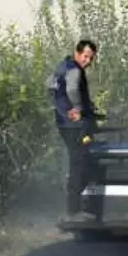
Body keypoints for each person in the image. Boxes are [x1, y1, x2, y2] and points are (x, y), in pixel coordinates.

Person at [49, 39, 99, 222]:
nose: (88, 61)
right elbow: (71, 89)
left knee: (76, 162)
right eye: (86, 56)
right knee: (79, 164)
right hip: (74, 126)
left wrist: (66, 108)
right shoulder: (75, 70)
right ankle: (75, 210)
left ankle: (75, 208)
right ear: (77, 53)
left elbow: (50, 86)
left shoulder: (63, 66)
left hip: (63, 123)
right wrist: (78, 109)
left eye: (91, 58)